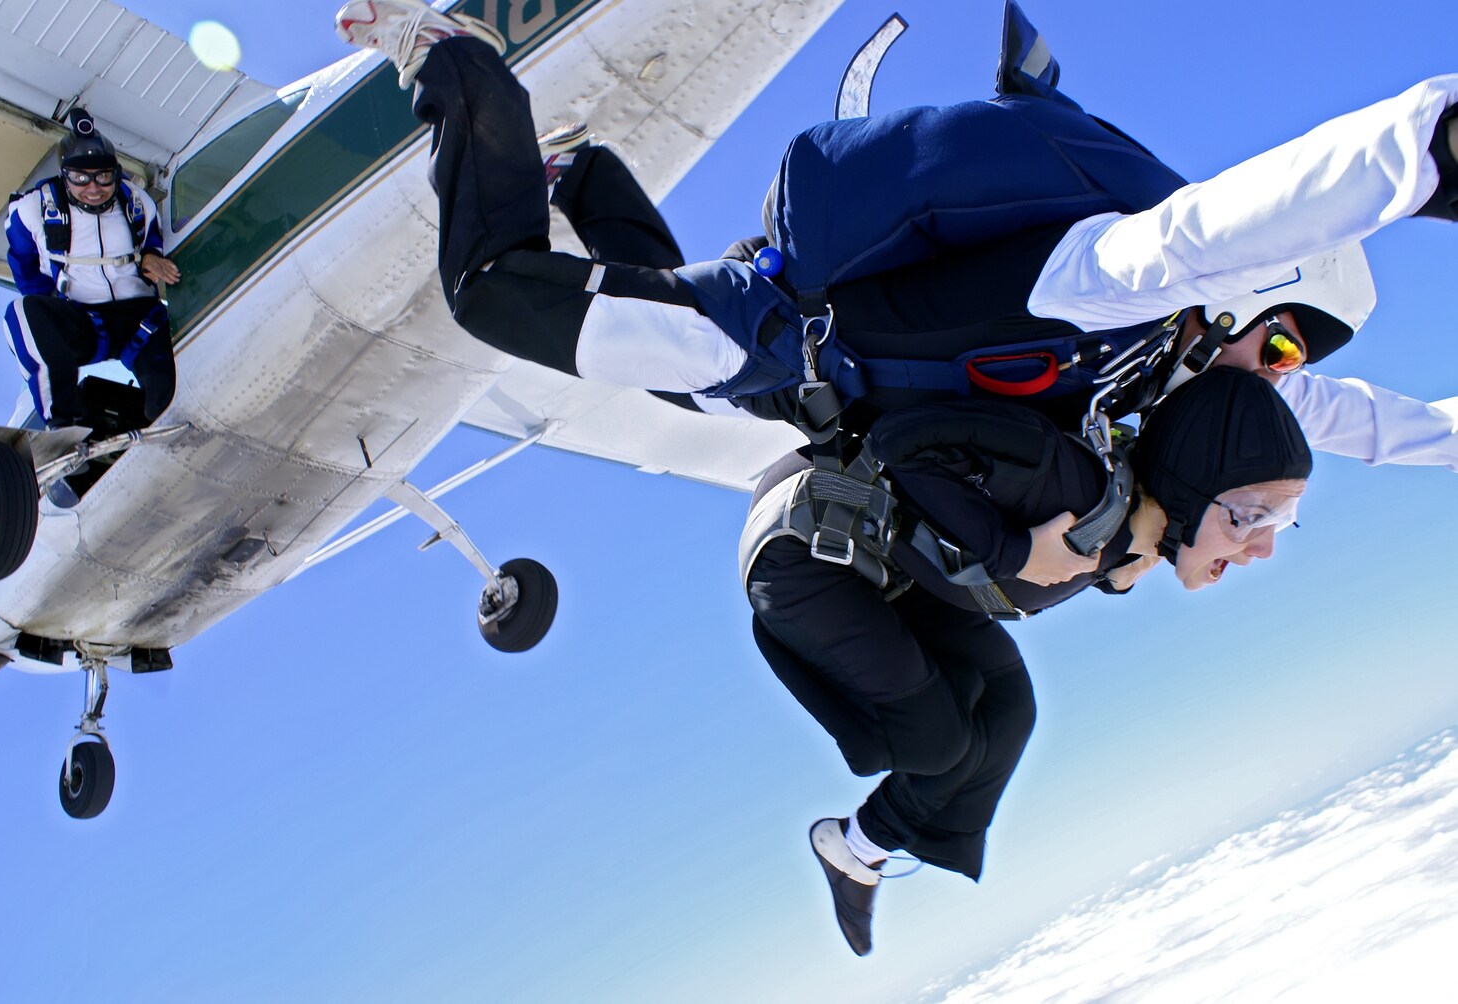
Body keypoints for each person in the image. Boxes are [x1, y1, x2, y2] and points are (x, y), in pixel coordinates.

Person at [334, 0, 1458, 463]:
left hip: (779, 374)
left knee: (656, 322)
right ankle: (456, 59)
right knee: (494, 288)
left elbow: (1359, 423)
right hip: (767, 333)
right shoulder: (1127, 278)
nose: (1278, 376)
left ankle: (576, 165)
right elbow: (1225, 225)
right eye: (1285, 342)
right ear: (1253, 290)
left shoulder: (1189, 364)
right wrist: (1426, 152)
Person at [739, 365, 1310, 955]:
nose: (1264, 546)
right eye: (1251, 516)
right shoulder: (1070, 484)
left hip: (885, 568)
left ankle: (856, 852)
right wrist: (1014, 549)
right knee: (935, 744)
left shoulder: (1121, 530)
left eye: (1280, 519)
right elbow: (898, 441)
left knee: (1009, 707)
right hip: (804, 547)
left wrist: (1114, 572)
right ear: (1191, 490)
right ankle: (856, 840)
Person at [3, 108, 180, 435]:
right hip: (86, 321)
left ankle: (165, 431)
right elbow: (24, 263)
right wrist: (54, 306)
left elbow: (152, 235)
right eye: (80, 179)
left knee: (167, 401)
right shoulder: (33, 209)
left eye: (103, 177)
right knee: (23, 312)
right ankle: (63, 424)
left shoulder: (137, 202)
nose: (94, 188)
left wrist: (151, 255)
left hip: (139, 322)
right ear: (64, 176)